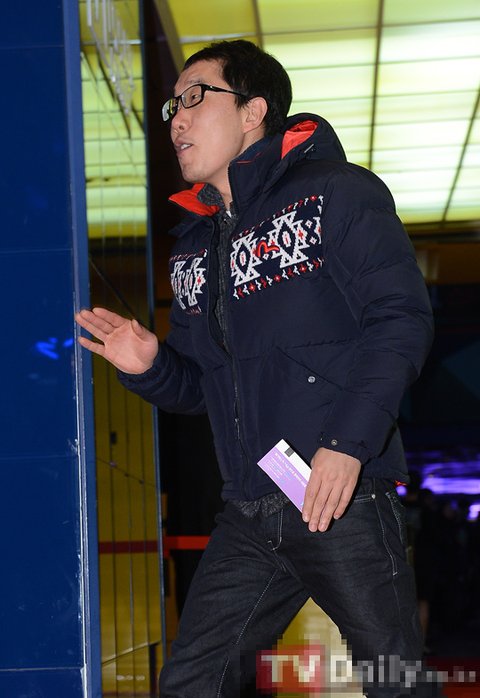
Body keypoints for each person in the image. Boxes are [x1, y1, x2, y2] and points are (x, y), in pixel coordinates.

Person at [76, 40, 443, 697]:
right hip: (250, 507)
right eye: (172, 106)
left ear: (254, 112)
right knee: (192, 682)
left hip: (341, 497)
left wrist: (347, 445)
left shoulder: (335, 193)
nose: (178, 119)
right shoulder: (194, 244)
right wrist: (150, 364)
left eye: (195, 97)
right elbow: (201, 387)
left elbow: (401, 321)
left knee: (396, 682)